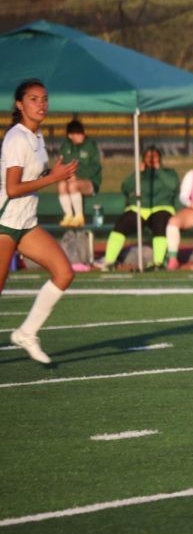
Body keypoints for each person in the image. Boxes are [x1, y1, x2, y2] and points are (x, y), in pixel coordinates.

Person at [1, 79, 79, 364]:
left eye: (45, 98)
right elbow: (12, 188)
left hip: (26, 223)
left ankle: (27, 333)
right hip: (4, 223)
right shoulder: (17, 138)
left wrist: (54, 172)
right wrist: (53, 178)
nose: (41, 104)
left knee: (64, 273)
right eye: (34, 99)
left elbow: (35, 177)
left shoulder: (37, 136)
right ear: (20, 105)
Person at [97, 145, 179, 271]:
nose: (151, 159)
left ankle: (158, 262)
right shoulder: (140, 174)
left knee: (160, 222)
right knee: (122, 224)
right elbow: (125, 188)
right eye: (148, 157)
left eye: (154, 157)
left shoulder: (169, 173)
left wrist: (158, 170)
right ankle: (109, 260)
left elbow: (173, 186)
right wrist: (137, 173)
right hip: (139, 208)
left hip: (161, 208)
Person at [56, 119, 102, 227]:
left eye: (81, 132)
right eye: (77, 133)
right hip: (71, 180)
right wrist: (68, 176)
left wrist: (77, 176)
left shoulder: (90, 146)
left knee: (73, 185)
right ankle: (68, 216)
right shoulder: (65, 147)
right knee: (62, 185)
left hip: (90, 183)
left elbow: (95, 167)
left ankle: (79, 217)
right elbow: (61, 166)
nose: (81, 135)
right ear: (70, 135)